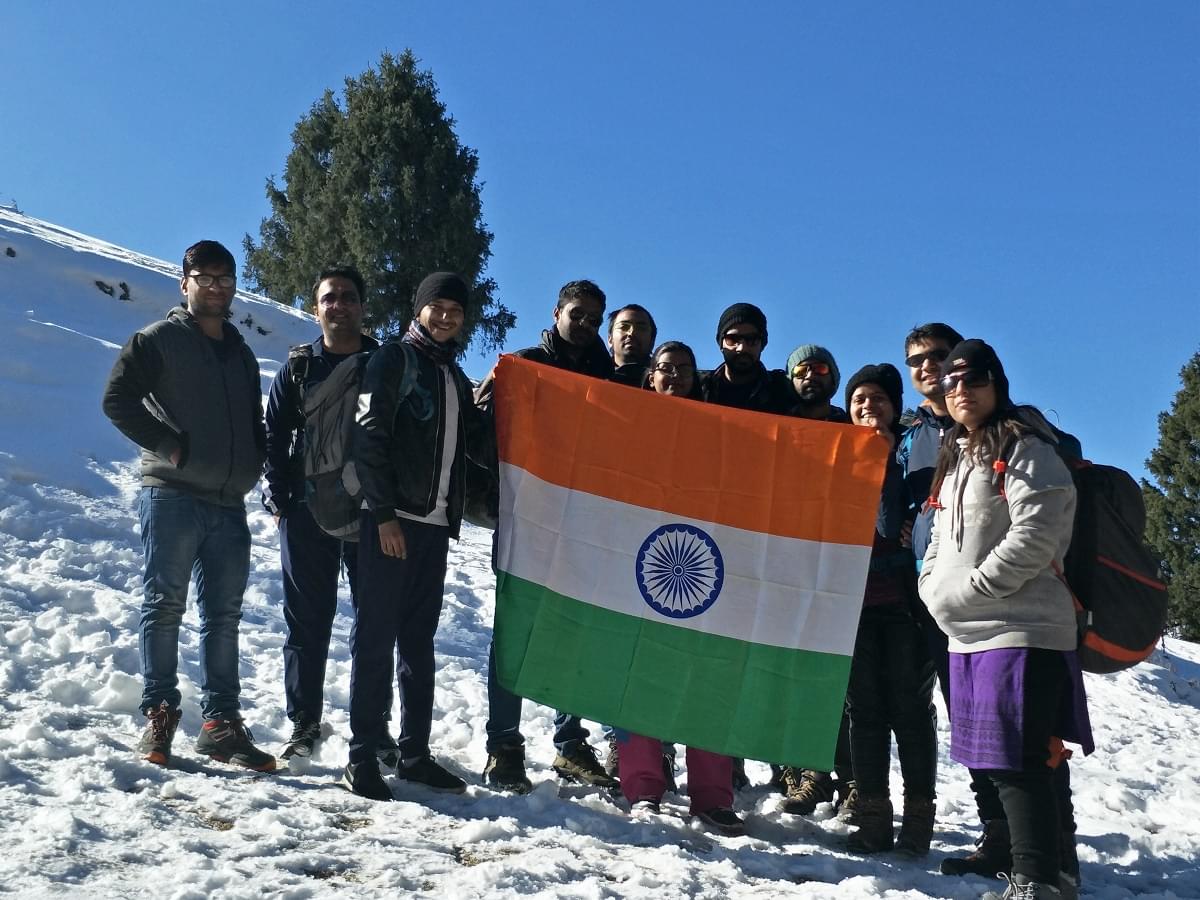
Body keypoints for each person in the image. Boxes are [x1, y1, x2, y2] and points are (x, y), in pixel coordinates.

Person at [918, 340, 1094, 900]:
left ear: (997, 383)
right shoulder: (958, 456)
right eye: (950, 384)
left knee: (1017, 761)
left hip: (1021, 629)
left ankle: (1036, 880)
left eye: (972, 381)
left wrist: (974, 588)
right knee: (1010, 758)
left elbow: (1039, 529)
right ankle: (1053, 872)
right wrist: (933, 590)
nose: (960, 392)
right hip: (969, 633)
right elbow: (938, 541)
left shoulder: (1025, 446)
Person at [102, 239, 273, 771]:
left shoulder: (240, 353)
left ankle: (221, 725)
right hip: (172, 494)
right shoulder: (158, 340)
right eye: (207, 277)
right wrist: (169, 444)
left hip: (228, 502)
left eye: (226, 278)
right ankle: (159, 714)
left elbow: (250, 421)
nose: (218, 287)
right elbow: (117, 399)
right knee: (165, 604)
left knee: (223, 616)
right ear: (185, 282)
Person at [341, 272, 491, 802]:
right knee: (376, 639)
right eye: (438, 306)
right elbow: (369, 436)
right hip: (390, 521)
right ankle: (361, 756)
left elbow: (475, 446)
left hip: (433, 529)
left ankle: (415, 754)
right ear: (420, 308)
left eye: (456, 309)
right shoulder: (392, 360)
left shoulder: (453, 376)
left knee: (418, 644)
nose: (447, 316)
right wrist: (382, 514)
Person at [476, 280, 618, 794]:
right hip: (525, 521)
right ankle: (504, 745)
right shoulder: (523, 365)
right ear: (557, 312)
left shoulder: (612, 379)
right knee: (513, 633)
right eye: (576, 315)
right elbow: (482, 435)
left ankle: (570, 742)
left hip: (587, 523)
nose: (584, 325)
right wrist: (487, 397)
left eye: (593, 318)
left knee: (577, 633)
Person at [614, 340, 743, 836]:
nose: (673, 376)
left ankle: (712, 797)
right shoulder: (630, 427)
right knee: (638, 681)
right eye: (664, 369)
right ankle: (643, 787)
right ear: (650, 376)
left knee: (705, 681)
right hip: (639, 564)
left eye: (683, 370)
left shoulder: (718, 432)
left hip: (702, 563)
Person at [263, 265, 379, 761]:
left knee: (374, 625)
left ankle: (372, 729)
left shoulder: (384, 365)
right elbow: (273, 433)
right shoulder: (298, 368)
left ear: (362, 306)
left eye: (348, 297)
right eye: (329, 298)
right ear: (317, 308)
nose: (339, 305)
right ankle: (304, 724)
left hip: (372, 514)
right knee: (306, 622)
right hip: (306, 511)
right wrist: (280, 496)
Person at [841, 364, 937, 855]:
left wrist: (880, 457)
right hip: (853, 605)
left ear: (895, 405)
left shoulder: (909, 454)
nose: (867, 407)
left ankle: (919, 816)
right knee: (865, 712)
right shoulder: (836, 456)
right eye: (858, 399)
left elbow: (888, 522)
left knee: (911, 710)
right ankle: (872, 813)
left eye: (878, 398)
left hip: (905, 605)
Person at [698, 303, 791, 413]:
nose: (742, 348)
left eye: (751, 339)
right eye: (732, 339)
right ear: (721, 343)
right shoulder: (697, 387)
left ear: (762, 344)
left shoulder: (784, 390)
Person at [785, 344, 850, 422]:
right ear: (791, 381)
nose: (810, 376)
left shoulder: (852, 424)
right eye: (800, 371)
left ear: (833, 378)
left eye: (820, 368)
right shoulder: (776, 422)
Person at [607, 304, 657, 387]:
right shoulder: (591, 372)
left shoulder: (666, 383)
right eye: (624, 327)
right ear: (610, 339)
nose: (632, 333)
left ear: (652, 340)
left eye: (641, 328)